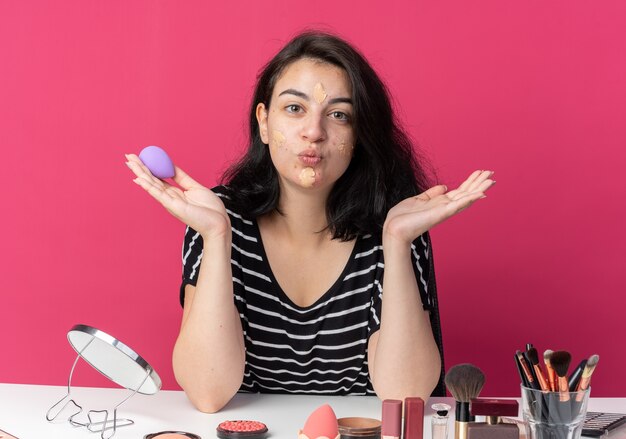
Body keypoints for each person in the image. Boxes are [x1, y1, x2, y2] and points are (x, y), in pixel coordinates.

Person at [125, 31, 495, 413]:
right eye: (294, 109)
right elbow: (208, 392)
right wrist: (217, 236)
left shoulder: (396, 227)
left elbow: (405, 399)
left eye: (338, 115)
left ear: (359, 134)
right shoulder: (217, 217)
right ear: (264, 123)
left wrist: (398, 241)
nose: (314, 132)